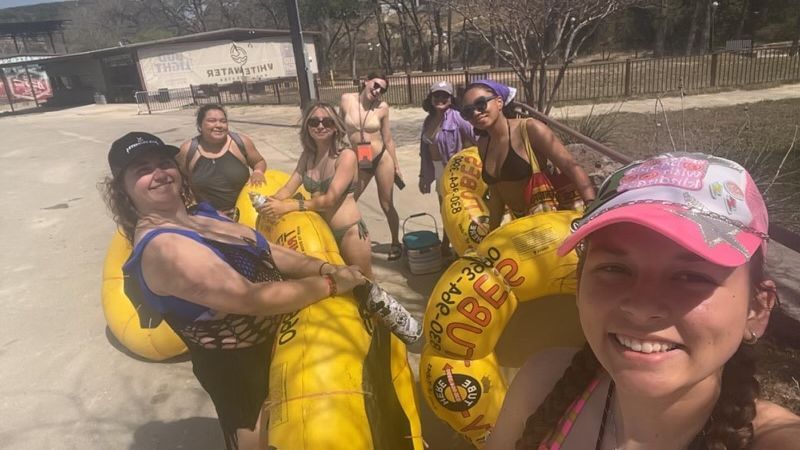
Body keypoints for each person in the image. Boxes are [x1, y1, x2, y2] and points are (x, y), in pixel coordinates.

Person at [486, 152, 800, 450]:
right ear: (580, 286)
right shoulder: (542, 383)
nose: (641, 308)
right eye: (614, 269)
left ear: (757, 309)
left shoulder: (778, 440)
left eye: (690, 277)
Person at [101, 132, 366, 450]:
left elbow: (265, 248)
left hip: (281, 345)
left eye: (163, 163)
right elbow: (251, 298)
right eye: (142, 170)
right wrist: (331, 285)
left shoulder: (200, 214)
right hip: (242, 379)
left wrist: (324, 267)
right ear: (122, 189)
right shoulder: (163, 249)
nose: (159, 174)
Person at [460, 80, 595, 231]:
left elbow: (571, 168)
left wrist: (592, 209)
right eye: (468, 111)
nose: (475, 113)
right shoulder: (483, 144)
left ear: (499, 102)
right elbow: (496, 195)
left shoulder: (530, 129)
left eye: (480, 104)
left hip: (553, 222)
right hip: (523, 228)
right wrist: (491, 234)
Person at [260, 101, 373, 278]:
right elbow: (288, 188)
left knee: (363, 280)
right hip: (320, 233)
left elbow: (330, 200)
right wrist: (270, 201)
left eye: (327, 122)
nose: (320, 126)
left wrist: (288, 206)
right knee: (336, 284)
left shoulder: (346, 156)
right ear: (307, 127)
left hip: (348, 233)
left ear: (335, 127)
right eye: (314, 122)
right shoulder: (307, 156)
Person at [340, 73, 403, 261]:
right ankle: (349, 240)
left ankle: (395, 243)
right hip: (361, 160)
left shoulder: (382, 108)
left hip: (381, 159)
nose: (377, 91)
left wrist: (396, 165)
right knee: (350, 200)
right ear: (366, 81)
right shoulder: (346, 99)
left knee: (386, 204)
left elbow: (388, 138)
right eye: (375, 85)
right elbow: (339, 128)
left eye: (382, 90)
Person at [419, 80, 477, 256]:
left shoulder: (457, 117)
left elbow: (477, 137)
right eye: (436, 95)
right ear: (430, 98)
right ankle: (448, 243)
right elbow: (424, 152)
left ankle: (459, 247)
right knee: (445, 210)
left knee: (457, 211)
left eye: (445, 96)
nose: (440, 99)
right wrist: (423, 176)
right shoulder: (428, 120)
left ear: (451, 99)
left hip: (455, 172)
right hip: (437, 170)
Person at [178, 104, 268, 218]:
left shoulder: (241, 142)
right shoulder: (187, 150)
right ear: (200, 125)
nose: (218, 125)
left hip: (244, 214)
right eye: (211, 121)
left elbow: (259, 161)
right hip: (208, 218)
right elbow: (180, 179)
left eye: (223, 121)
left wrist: (258, 172)